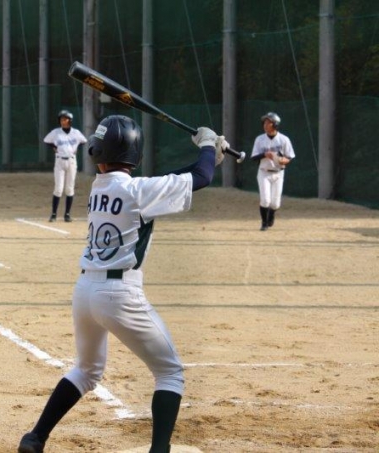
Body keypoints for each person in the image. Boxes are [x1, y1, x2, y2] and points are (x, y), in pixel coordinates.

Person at [17, 115, 229, 453]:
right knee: (170, 373)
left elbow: (173, 182)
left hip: (85, 292)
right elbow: (197, 179)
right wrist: (206, 148)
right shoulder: (138, 191)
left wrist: (209, 158)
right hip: (119, 295)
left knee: (86, 370)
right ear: (136, 154)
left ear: (98, 153)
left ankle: (35, 437)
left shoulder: (101, 187)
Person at [250, 112, 295, 231]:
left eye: (268, 123)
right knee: (265, 200)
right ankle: (264, 223)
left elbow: (289, 157)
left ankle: (271, 214)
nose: (265, 125)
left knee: (275, 204)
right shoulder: (260, 139)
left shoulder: (284, 139)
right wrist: (265, 154)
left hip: (278, 173)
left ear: (275, 124)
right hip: (264, 172)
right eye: (264, 122)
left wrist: (284, 160)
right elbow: (254, 157)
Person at [43, 110, 87, 222]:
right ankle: (53, 214)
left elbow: (84, 141)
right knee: (58, 189)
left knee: (69, 188)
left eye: (65, 119)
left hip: (72, 161)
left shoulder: (76, 133)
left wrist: (76, 148)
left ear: (70, 120)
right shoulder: (56, 132)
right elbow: (46, 140)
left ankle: (67, 214)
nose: (63, 121)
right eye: (61, 119)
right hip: (59, 161)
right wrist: (54, 147)